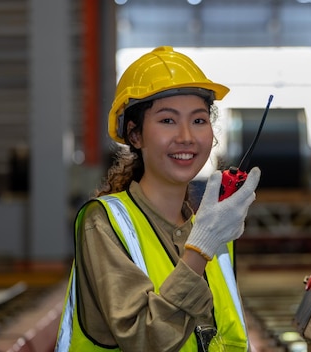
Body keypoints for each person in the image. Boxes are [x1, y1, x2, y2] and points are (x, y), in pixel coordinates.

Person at [55, 46, 261, 352]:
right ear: (135, 136)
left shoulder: (211, 229)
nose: (187, 137)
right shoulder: (105, 224)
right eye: (167, 121)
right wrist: (201, 248)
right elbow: (145, 339)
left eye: (199, 120)